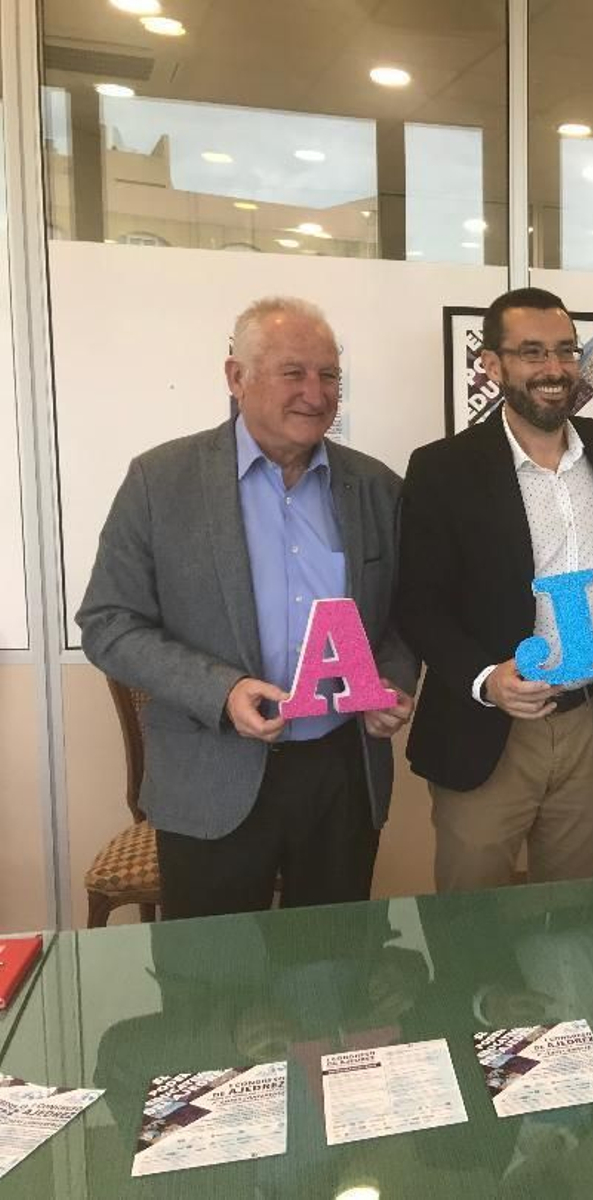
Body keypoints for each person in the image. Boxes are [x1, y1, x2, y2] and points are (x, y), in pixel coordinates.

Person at [77, 296, 416, 919]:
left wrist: (389, 680)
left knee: (333, 972)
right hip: (212, 771)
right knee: (213, 986)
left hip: (341, 772)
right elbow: (108, 624)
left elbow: (397, 617)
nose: (316, 394)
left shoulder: (376, 487)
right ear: (236, 378)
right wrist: (221, 689)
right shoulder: (161, 481)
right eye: (294, 372)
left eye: (329, 375)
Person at [398, 286, 593, 891]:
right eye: (532, 353)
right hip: (485, 731)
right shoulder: (442, 467)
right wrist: (485, 679)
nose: (554, 370)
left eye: (565, 351)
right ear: (492, 364)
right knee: (470, 916)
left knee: (571, 907)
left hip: (585, 719)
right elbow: (417, 603)